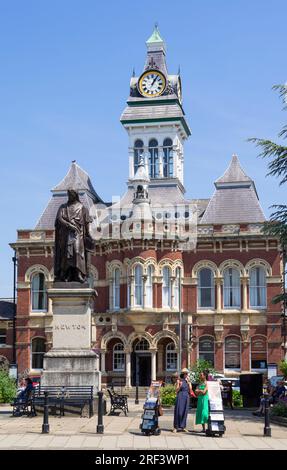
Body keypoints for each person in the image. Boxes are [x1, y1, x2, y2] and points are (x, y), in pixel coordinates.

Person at [54, 189, 95, 283]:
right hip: (66, 235)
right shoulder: (63, 207)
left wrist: (89, 235)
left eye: (71, 195)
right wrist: (69, 225)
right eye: (68, 195)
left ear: (75, 195)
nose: (69, 197)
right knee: (66, 255)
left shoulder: (82, 208)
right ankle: (67, 274)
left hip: (78, 235)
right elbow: (59, 219)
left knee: (77, 252)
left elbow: (87, 223)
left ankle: (78, 273)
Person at [173, 368, 193, 433]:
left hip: (186, 396)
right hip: (180, 396)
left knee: (185, 412)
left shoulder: (188, 380)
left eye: (187, 373)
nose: (186, 375)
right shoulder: (179, 380)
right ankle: (176, 427)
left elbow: (190, 389)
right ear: (183, 374)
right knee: (178, 412)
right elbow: (176, 390)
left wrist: (189, 382)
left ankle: (183, 427)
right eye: (185, 373)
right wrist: (180, 385)